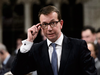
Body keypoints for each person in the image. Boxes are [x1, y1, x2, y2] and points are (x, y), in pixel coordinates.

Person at [11, 5, 97, 75]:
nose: (49, 29)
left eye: (52, 23)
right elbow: (17, 71)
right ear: (40, 26)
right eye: (44, 24)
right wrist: (28, 42)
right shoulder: (37, 49)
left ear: (61, 24)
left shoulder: (78, 46)